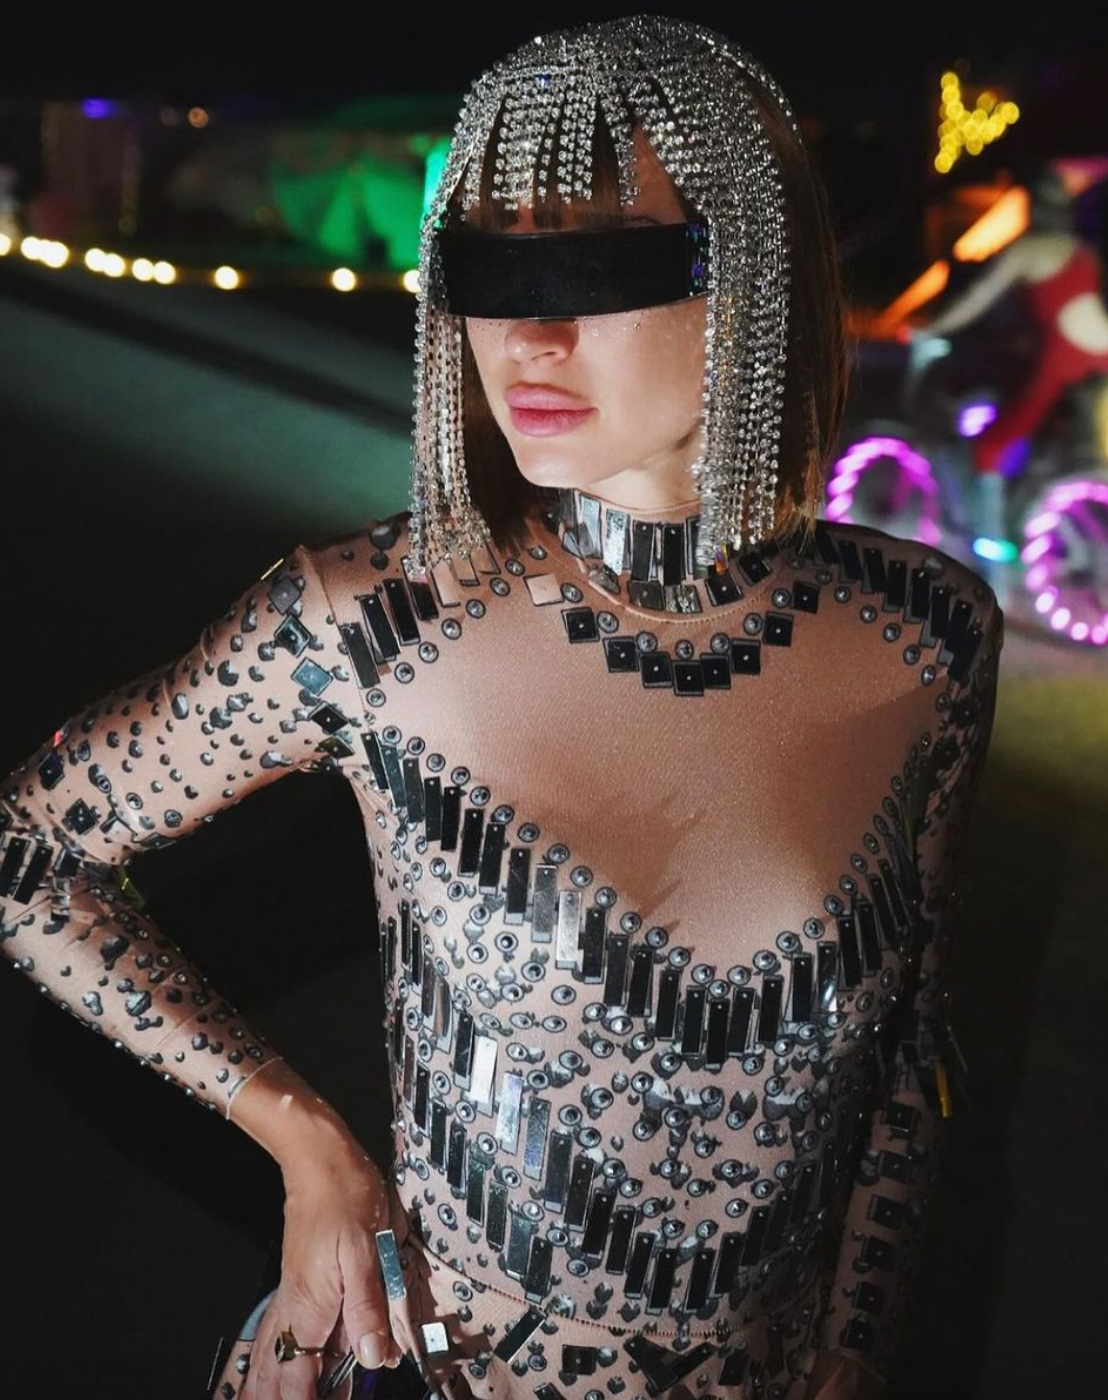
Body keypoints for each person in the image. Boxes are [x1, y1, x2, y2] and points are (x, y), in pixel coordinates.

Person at [0, 16, 1004, 1400]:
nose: (527, 334)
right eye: (484, 268)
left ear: (752, 274)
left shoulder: (925, 635)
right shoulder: (372, 622)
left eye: (597, 264)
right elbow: (33, 853)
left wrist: (852, 1346)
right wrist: (302, 1141)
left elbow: (904, 1045)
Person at [916, 163, 1108, 543]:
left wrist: (933, 329)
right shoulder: (1083, 252)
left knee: (991, 447)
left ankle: (993, 550)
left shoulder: (1027, 250)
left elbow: (976, 299)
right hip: (1098, 356)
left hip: (1064, 358)